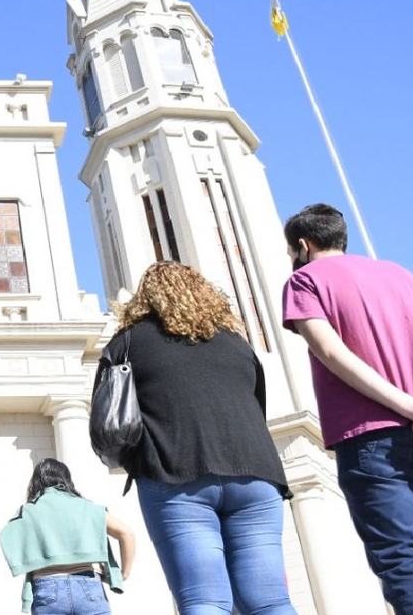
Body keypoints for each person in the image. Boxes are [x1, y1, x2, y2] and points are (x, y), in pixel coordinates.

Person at [282, 203, 413, 614]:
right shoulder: (406, 277)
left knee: (404, 565)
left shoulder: (304, 281)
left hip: (371, 439)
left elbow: (331, 352)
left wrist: (407, 406)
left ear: (302, 244)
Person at [102, 261, 297, 615]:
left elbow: (106, 419)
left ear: (144, 301)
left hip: (175, 474)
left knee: (205, 601)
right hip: (255, 474)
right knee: (270, 600)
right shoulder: (236, 344)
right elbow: (257, 406)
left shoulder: (127, 344)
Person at [0, 458, 135, 614]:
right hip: (89, 587)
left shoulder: (28, 511)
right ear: (66, 479)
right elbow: (127, 534)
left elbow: (6, 535)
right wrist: (123, 574)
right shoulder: (87, 507)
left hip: (46, 589)